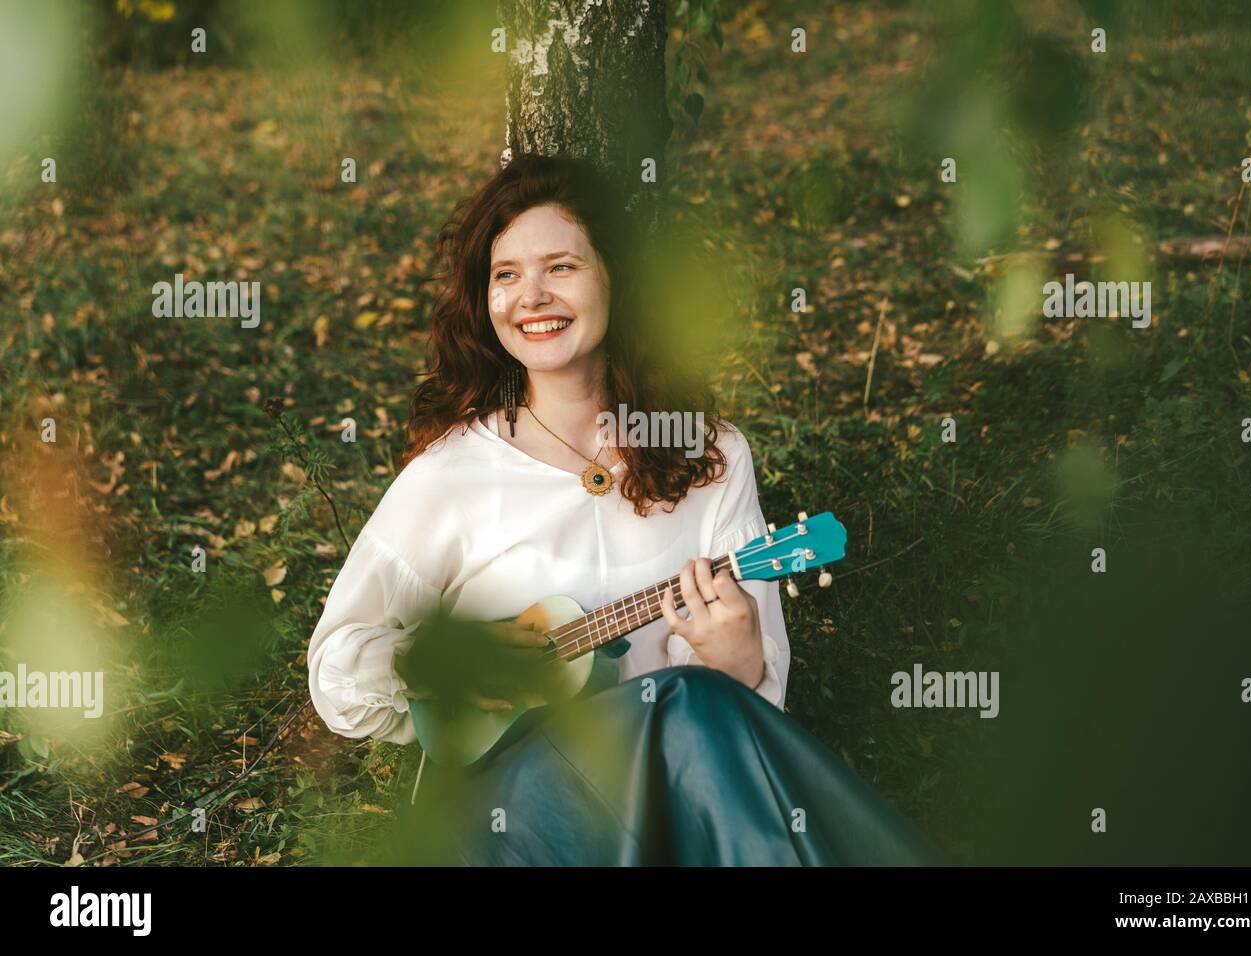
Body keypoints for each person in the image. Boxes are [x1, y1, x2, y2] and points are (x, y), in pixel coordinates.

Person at [306, 153, 941, 865]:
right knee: (687, 706)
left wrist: (741, 664)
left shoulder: (711, 456)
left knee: (697, 706)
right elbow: (336, 667)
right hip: (505, 819)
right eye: (506, 275)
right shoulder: (452, 474)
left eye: (562, 268)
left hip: (670, 805)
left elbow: (745, 730)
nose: (531, 296)